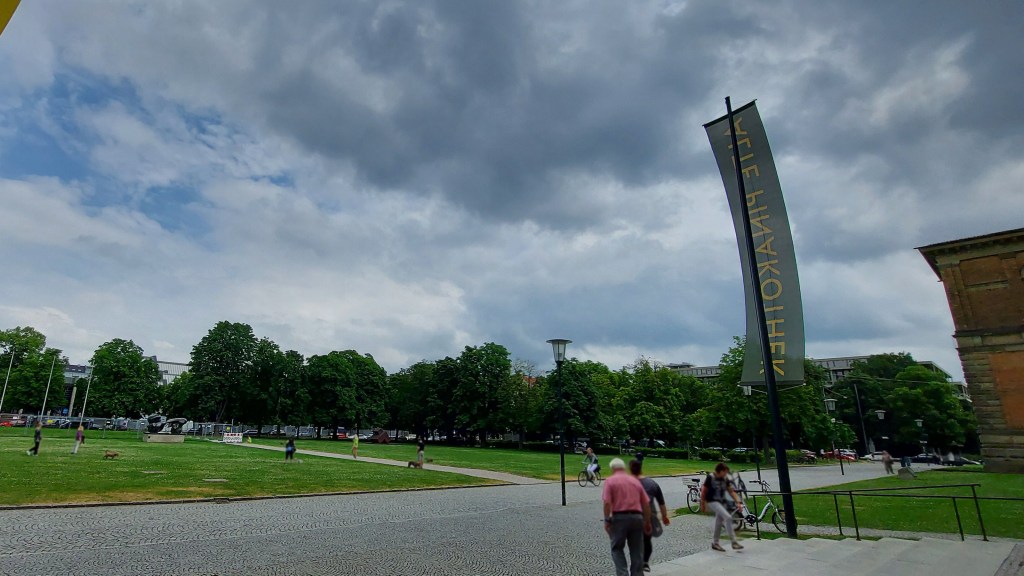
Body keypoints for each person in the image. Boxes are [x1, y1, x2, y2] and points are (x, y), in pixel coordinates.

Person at [602, 457, 652, 576]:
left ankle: (622, 573)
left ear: (612, 468)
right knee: (636, 549)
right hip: (637, 518)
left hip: (619, 518)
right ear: (624, 468)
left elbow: (607, 503)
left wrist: (607, 520)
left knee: (617, 548)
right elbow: (646, 503)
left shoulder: (610, 481)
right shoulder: (635, 481)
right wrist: (647, 521)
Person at [629, 459, 670, 572]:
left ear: (630, 470)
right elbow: (661, 502)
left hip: (631, 516)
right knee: (647, 540)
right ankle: (645, 562)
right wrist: (665, 516)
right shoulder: (652, 483)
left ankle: (637, 563)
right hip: (648, 516)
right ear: (641, 469)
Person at [701, 462, 744, 552]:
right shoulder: (710, 477)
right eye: (725, 472)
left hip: (721, 502)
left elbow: (731, 491)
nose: (726, 474)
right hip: (712, 501)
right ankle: (734, 542)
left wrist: (738, 502)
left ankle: (715, 543)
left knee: (718, 522)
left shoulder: (725, 479)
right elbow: (704, 490)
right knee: (728, 517)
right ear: (720, 471)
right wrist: (702, 503)